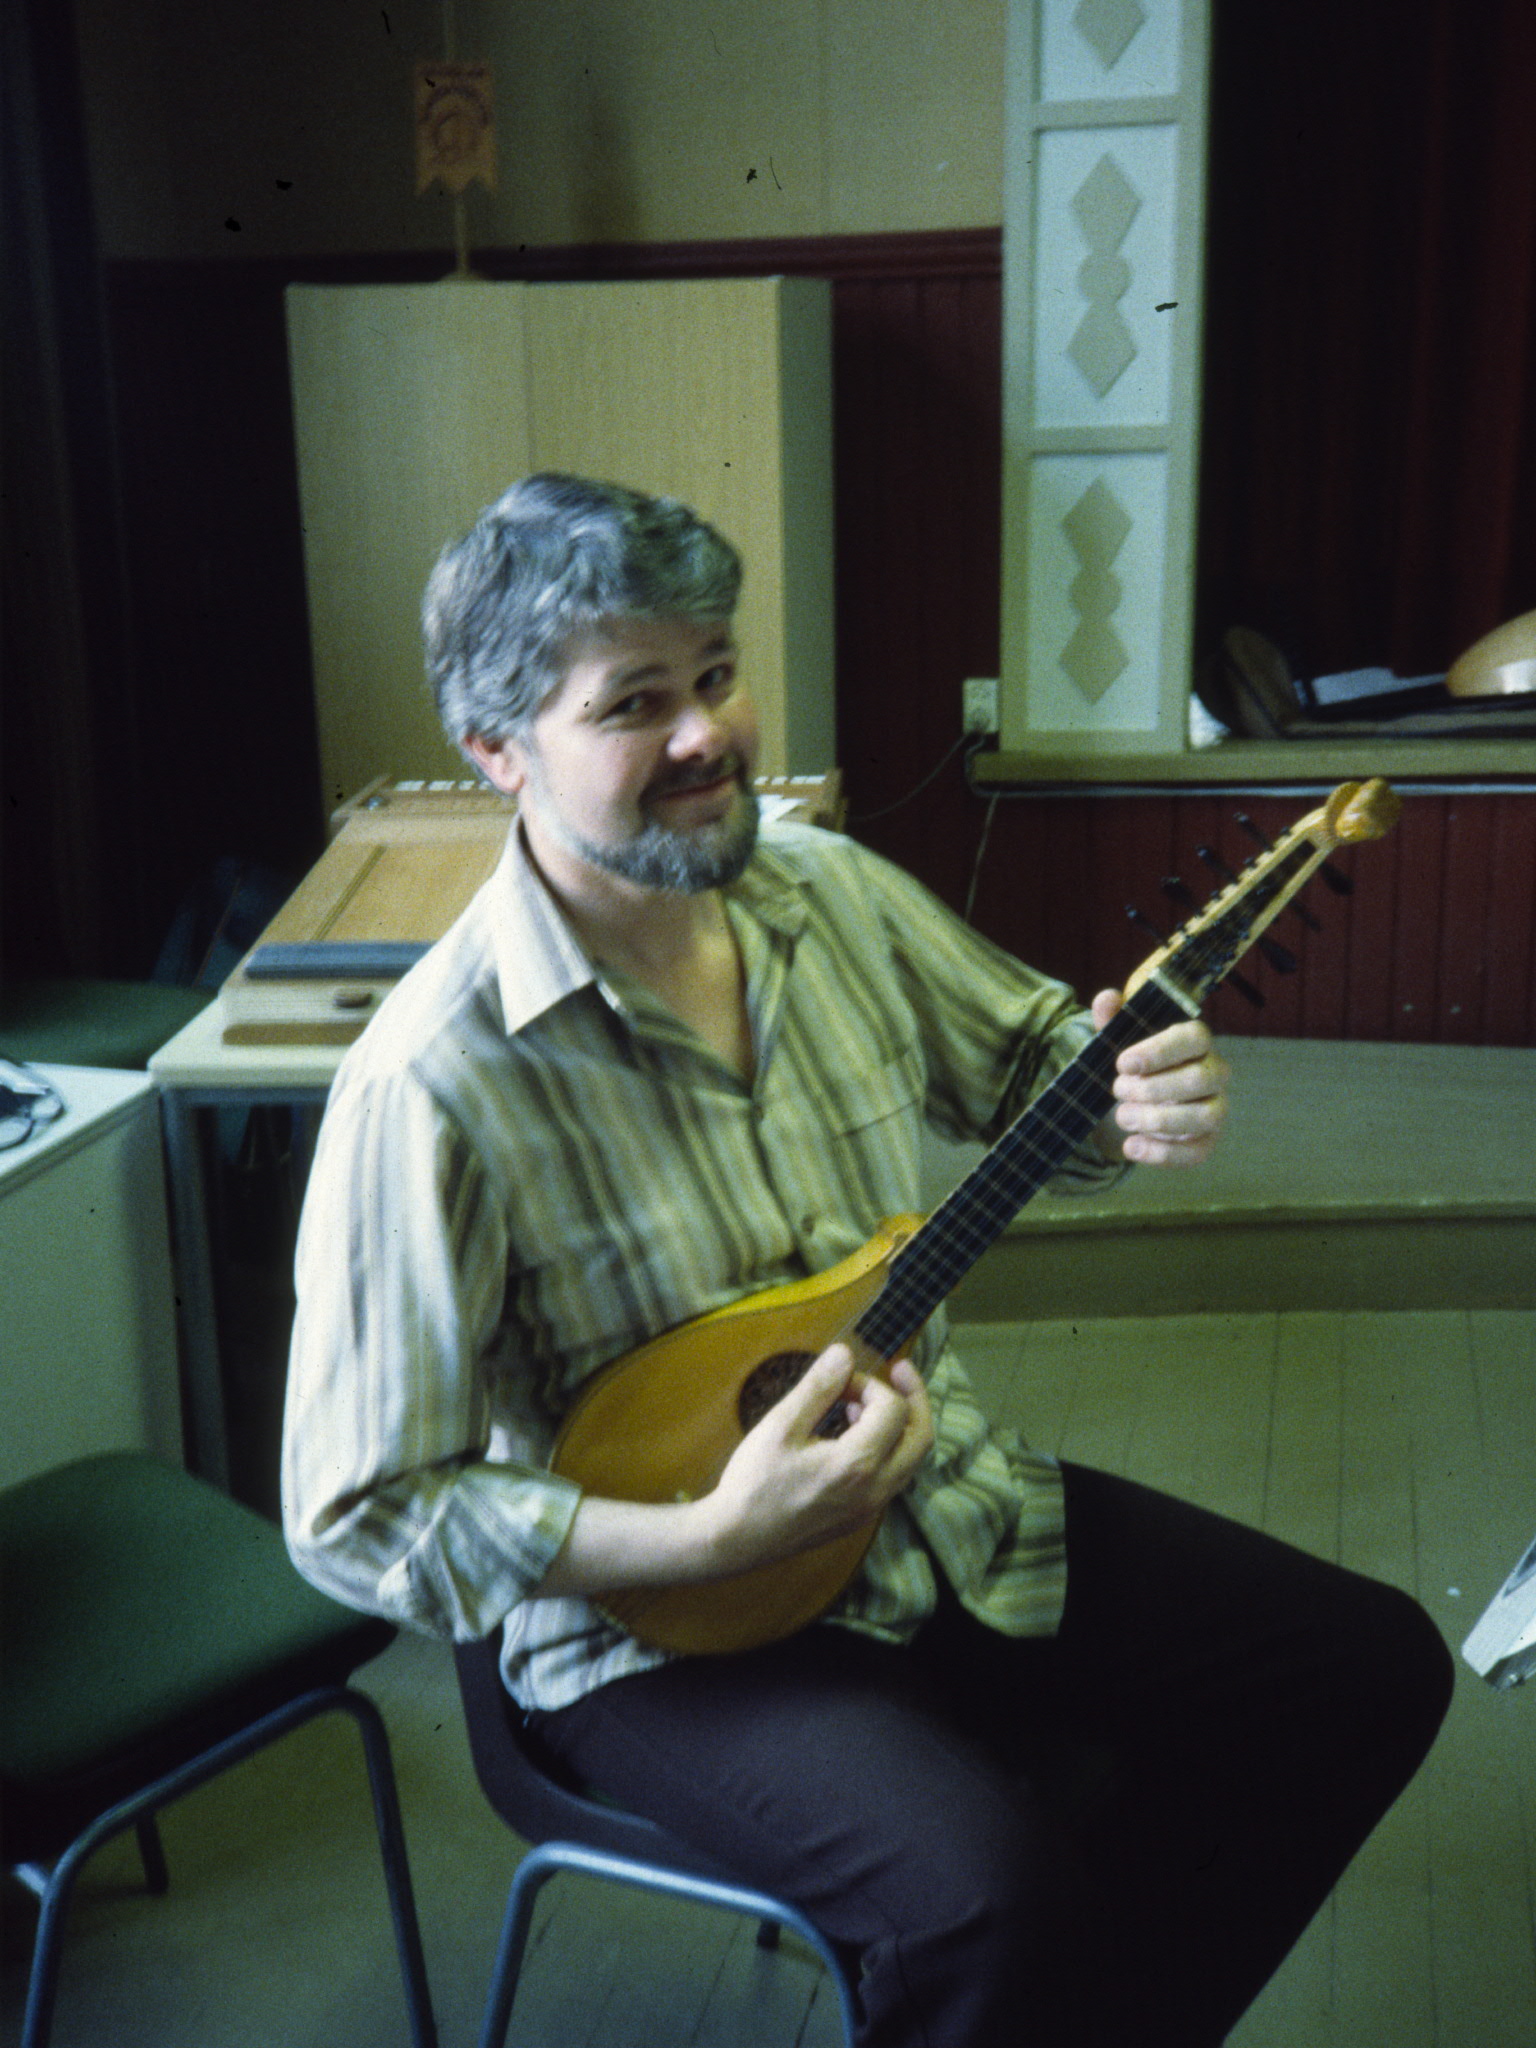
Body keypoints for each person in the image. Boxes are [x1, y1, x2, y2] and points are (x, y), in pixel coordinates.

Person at [283, 473, 1453, 2046]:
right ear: (498, 749)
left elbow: (1033, 1063)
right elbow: (358, 1511)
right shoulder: (433, 1081)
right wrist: (702, 1537)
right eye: (634, 702)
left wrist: (1129, 1097)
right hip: (655, 1632)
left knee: (1370, 1671)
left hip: (931, 1501)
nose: (706, 733)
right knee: (987, 1905)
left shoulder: (826, 894)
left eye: (715, 674)